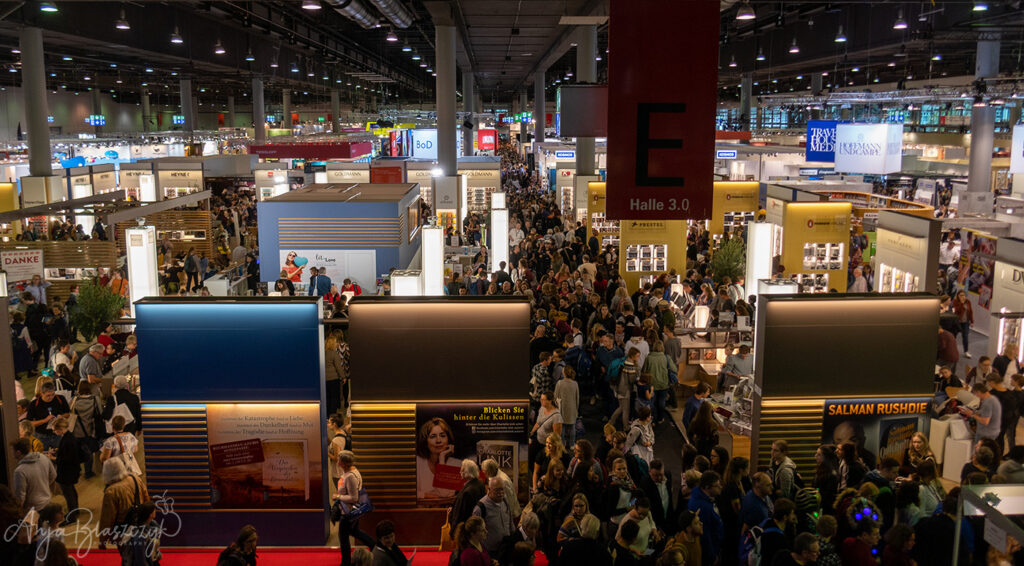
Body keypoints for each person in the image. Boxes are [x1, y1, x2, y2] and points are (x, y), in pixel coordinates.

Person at [336, 450, 376, 566]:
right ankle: (375, 548)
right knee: (355, 532)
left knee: (343, 539)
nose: (337, 461)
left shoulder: (350, 476)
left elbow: (354, 497)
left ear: (343, 463)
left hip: (348, 512)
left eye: (339, 459)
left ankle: (346, 563)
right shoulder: (353, 472)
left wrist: (338, 496)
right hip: (353, 511)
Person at [100, 457, 150, 547]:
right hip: (141, 524)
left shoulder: (111, 491)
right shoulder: (135, 479)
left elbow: (107, 518)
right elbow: (146, 499)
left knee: (128, 555)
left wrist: (102, 540)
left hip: (123, 531)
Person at [415, 417, 462, 501]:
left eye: (442, 436)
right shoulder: (417, 462)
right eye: (433, 436)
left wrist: (441, 459)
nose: (438, 440)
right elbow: (406, 491)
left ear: (448, 439)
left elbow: (444, 494)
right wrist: (425, 495)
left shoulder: (457, 464)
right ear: (425, 442)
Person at [10, 437, 56, 516]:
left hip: (33, 508)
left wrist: (19, 511)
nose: (11, 453)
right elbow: (53, 475)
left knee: (37, 528)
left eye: (12, 450)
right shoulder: (43, 457)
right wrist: (44, 486)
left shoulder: (20, 471)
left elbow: (20, 496)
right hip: (47, 501)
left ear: (18, 452)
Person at [687, 471, 723, 566]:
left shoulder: (703, 497)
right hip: (708, 553)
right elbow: (704, 534)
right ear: (707, 487)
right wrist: (712, 556)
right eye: (717, 485)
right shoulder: (702, 507)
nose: (720, 487)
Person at [472, 476, 514, 557]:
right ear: (489, 489)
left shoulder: (504, 501)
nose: (501, 492)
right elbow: (475, 534)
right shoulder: (481, 508)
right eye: (497, 490)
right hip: (489, 552)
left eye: (502, 489)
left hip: (506, 549)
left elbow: (510, 523)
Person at [51, 415, 81, 523]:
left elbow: (66, 458)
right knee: (72, 491)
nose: (54, 432)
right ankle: (75, 510)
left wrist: (53, 457)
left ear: (60, 429)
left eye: (54, 430)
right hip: (72, 470)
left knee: (68, 494)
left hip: (67, 471)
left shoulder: (67, 440)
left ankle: (71, 517)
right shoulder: (70, 437)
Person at [26, 379, 70, 451]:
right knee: (42, 457)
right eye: (48, 395)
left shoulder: (60, 398)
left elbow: (68, 414)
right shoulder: (34, 404)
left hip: (57, 434)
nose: (51, 397)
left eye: (53, 394)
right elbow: (30, 423)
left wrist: (61, 417)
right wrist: (44, 420)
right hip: (41, 436)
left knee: (61, 455)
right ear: (41, 394)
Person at [640, 459, 675, 535]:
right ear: (649, 473)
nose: (659, 478)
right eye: (655, 475)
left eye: (661, 474)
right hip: (655, 522)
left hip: (668, 519)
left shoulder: (668, 474)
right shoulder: (644, 483)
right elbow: (647, 507)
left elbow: (670, 498)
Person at [450, 460, 486, 534]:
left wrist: (453, 531)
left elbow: (461, 514)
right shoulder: (480, 484)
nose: (460, 472)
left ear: (467, 472)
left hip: (466, 530)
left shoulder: (467, 492)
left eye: (462, 470)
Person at [554, 366, 580, 448]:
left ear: (564, 373)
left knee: (562, 427)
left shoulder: (559, 383)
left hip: (562, 408)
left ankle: (563, 444)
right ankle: (572, 444)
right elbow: (577, 398)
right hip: (572, 408)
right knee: (572, 427)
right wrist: (576, 408)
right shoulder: (575, 383)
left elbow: (555, 396)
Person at [325, 334, 346, 417]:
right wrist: (343, 377)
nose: (337, 343)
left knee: (327, 398)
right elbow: (338, 367)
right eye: (336, 342)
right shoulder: (334, 353)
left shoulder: (323, 353)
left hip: (325, 379)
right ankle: (332, 415)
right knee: (334, 397)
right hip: (334, 379)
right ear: (332, 343)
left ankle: (326, 415)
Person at [952, 290, 974, 358]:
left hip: (965, 322)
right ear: (958, 296)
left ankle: (966, 351)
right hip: (957, 322)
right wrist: (961, 303)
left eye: (963, 295)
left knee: (965, 337)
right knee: (953, 337)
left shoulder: (968, 302)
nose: (963, 297)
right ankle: (952, 350)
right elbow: (956, 311)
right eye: (961, 295)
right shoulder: (955, 302)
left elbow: (970, 312)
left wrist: (972, 321)